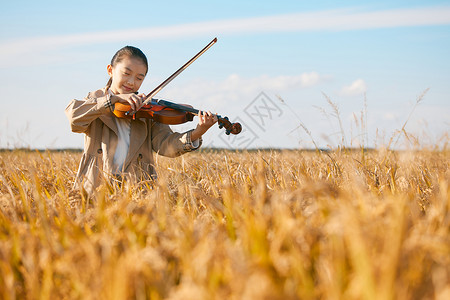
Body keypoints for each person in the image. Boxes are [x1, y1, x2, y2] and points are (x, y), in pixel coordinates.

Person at [65, 46, 217, 194]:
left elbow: (165, 145)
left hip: (138, 188)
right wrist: (113, 100)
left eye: (139, 78)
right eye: (126, 73)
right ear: (110, 70)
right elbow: (74, 119)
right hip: (96, 186)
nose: (131, 82)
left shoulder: (146, 109)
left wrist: (198, 132)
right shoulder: (95, 101)